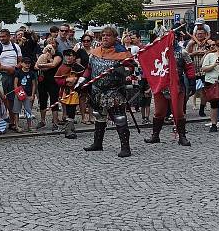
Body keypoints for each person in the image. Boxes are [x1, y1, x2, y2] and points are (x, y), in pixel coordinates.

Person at [83, 26, 134, 158]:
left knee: (119, 118)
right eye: (103, 35)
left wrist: (120, 69)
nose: (105, 37)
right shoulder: (95, 52)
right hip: (97, 90)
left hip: (114, 90)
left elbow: (131, 70)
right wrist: (81, 82)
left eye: (108, 35)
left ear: (115, 38)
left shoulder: (122, 53)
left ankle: (125, 148)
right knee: (99, 116)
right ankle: (97, 144)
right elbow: (89, 69)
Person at [143, 35, 195, 146]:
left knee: (178, 112)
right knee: (159, 112)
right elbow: (150, 67)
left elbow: (190, 67)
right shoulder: (156, 51)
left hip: (177, 86)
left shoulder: (182, 52)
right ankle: (155, 135)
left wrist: (191, 83)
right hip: (160, 86)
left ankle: (182, 136)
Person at [0, 29, 22, 131]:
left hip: (14, 75)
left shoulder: (16, 47)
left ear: (9, 36)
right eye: (0, 36)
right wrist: (7, 68)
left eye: (4, 36)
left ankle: (13, 122)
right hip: (1, 75)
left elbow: (20, 61)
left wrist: (15, 68)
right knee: (1, 99)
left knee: (13, 99)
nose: (1, 38)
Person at [54, 50, 84, 139]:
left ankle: (69, 128)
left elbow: (83, 77)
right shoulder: (62, 67)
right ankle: (69, 128)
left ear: (74, 57)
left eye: (71, 56)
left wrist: (77, 81)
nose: (69, 58)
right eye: (67, 56)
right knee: (67, 110)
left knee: (72, 109)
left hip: (75, 91)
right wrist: (66, 80)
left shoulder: (79, 67)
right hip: (65, 91)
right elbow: (57, 80)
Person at [13, 57, 38, 132]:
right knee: (16, 110)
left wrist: (33, 95)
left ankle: (29, 126)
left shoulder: (32, 73)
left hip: (28, 94)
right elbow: (15, 83)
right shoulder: (18, 72)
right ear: (22, 63)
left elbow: (34, 84)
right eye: (26, 63)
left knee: (28, 110)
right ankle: (17, 126)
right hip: (19, 93)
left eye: (29, 63)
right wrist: (17, 92)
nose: (27, 65)